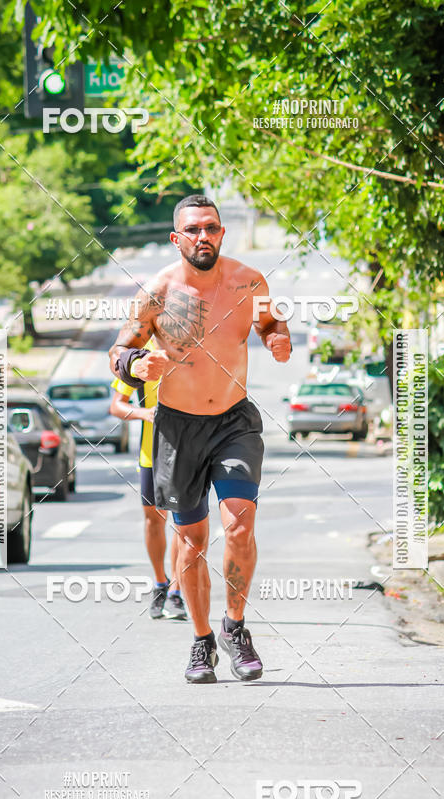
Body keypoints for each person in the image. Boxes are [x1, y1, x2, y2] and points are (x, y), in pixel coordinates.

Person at [109, 195, 291, 684]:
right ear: (177, 238)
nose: (203, 236)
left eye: (211, 227)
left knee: (240, 526)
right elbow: (119, 350)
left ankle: (235, 627)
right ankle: (202, 639)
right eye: (192, 229)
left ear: (222, 233)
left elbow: (271, 321)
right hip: (178, 427)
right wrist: (134, 364)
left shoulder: (249, 281)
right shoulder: (157, 292)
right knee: (191, 542)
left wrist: (278, 337)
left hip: (234, 421)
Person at [110, 336, 187, 621]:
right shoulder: (141, 356)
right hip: (151, 452)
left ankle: (176, 591)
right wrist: (145, 413)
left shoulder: (190, 347)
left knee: (183, 523)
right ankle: (160, 583)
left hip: (187, 450)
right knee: (154, 520)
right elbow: (117, 405)